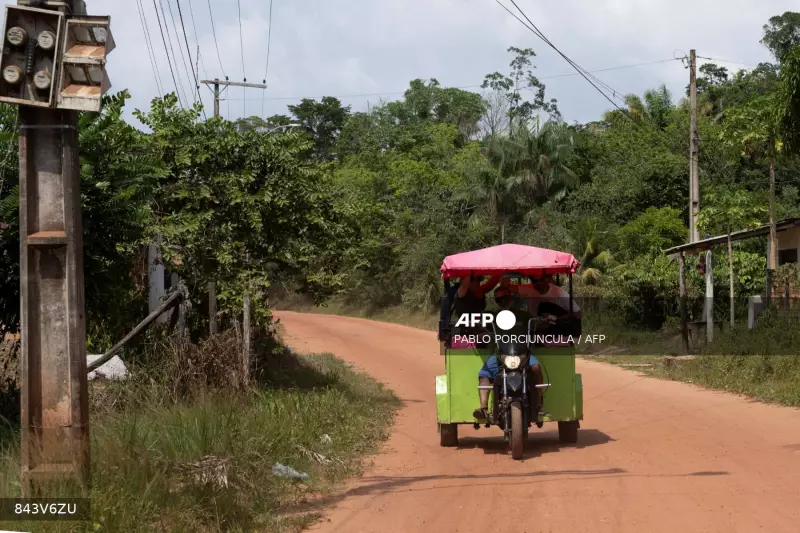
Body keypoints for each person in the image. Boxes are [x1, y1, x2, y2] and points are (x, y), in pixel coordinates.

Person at [473, 286, 544, 420]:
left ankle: (539, 404)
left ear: (510, 298)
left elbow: (536, 323)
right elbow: (483, 326)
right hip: (501, 355)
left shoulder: (523, 315)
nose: (502, 302)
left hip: (523, 354)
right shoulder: (493, 317)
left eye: (504, 298)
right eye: (499, 300)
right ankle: (483, 408)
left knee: (536, 368)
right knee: (484, 374)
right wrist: (479, 325)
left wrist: (544, 320)